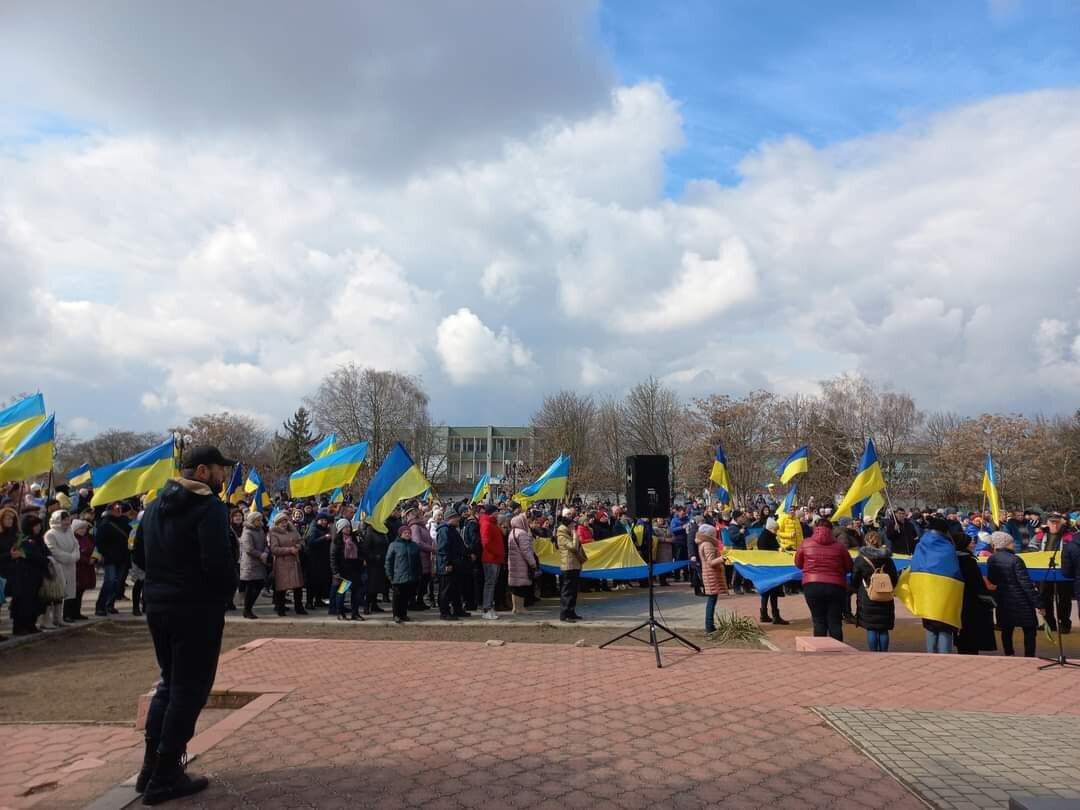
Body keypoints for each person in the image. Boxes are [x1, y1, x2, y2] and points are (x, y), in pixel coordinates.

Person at [135, 445, 237, 804]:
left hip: (159, 605)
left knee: (169, 684)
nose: (224, 476)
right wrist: (223, 595)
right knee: (189, 690)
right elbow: (218, 562)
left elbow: (139, 555)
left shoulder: (153, 506)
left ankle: (149, 769)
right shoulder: (209, 507)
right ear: (203, 471)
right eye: (220, 469)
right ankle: (165, 777)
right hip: (196, 609)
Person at [794, 518, 852, 641]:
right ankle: (837, 648)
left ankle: (821, 649)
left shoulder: (805, 543)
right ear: (831, 530)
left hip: (812, 585)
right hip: (836, 586)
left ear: (815, 528)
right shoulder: (840, 547)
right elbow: (848, 567)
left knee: (818, 620)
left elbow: (798, 563)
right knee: (835, 621)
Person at [987, 530, 1042, 657]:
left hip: (1003, 599)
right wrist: (1038, 603)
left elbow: (992, 579)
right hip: (1021, 600)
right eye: (1011, 542)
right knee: (1029, 629)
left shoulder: (991, 559)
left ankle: (1009, 653)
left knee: (1006, 629)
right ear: (1005, 544)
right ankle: (1029, 655)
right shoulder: (1016, 560)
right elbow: (1026, 583)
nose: (1013, 545)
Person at [851, 531, 898, 652]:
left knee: (871, 628)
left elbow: (855, 579)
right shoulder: (887, 559)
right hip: (886, 596)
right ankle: (884, 653)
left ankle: (873, 654)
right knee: (883, 629)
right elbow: (894, 579)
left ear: (866, 541)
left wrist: (856, 588)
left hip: (867, 596)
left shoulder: (861, 559)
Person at [952, 528, 997, 655]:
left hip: (958, 600)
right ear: (964, 544)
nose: (973, 544)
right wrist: (989, 599)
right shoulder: (968, 561)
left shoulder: (953, 559)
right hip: (971, 602)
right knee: (971, 632)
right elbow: (977, 584)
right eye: (970, 542)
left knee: (962, 631)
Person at [94, 501, 131, 616]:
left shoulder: (125, 521)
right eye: (116, 509)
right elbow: (99, 541)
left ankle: (110, 604)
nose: (119, 510)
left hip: (123, 557)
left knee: (118, 583)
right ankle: (100, 606)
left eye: (120, 508)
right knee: (109, 582)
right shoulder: (105, 523)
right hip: (110, 558)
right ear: (110, 510)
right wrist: (106, 553)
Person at [43, 509, 78, 626]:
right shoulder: (50, 534)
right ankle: (48, 619)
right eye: (64, 519)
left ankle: (59, 618)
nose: (67, 522)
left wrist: (75, 556)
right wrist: (69, 557)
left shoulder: (70, 532)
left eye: (68, 519)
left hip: (70, 566)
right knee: (55, 593)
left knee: (65, 593)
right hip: (57, 566)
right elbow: (53, 550)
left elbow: (76, 546)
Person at [268, 511, 307, 617]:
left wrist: (299, 546)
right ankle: (280, 608)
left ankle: (299, 607)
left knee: (298, 586)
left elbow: (300, 541)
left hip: (294, 561)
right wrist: (289, 550)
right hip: (282, 563)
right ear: (277, 523)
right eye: (281, 522)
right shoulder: (274, 533)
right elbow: (274, 549)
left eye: (285, 521)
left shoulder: (293, 530)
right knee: (282, 587)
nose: (284, 523)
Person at [1039, 513, 1073, 633]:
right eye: (1052, 522)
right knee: (1045, 598)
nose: (1054, 525)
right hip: (1044, 570)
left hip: (1063, 571)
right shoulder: (1040, 535)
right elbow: (1031, 549)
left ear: (1061, 523)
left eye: (1057, 522)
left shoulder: (1069, 536)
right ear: (1047, 523)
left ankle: (1065, 624)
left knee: (1064, 599)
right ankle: (1049, 623)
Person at [436, 505, 469, 620]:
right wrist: (447, 564)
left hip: (455, 563)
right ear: (450, 518)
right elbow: (443, 549)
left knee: (455, 588)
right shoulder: (444, 530)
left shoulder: (452, 529)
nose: (458, 519)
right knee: (446, 590)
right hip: (447, 565)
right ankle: (444, 612)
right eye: (456, 517)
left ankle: (457, 609)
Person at [385, 522, 422, 623]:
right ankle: (396, 615)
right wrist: (390, 576)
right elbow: (388, 561)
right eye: (405, 533)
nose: (407, 534)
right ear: (400, 534)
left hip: (411, 576)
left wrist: (419, 574)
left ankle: (403, 614)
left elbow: (418, 561)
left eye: (409, 533)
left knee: (406, 597)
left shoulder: (414, 546)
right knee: (397, 597)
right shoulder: (393, 545)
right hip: (398, 576)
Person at [755, 518, 788, 625]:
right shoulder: (766, 537)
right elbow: (767, 553)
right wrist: (778, 550)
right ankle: (775, 616)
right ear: (771, 528)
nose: (776, 531)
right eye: (775, 529)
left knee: (766, 592)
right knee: (773, 593)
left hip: (766, 568)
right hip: (771, 569)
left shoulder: (765, 536)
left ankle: (764, 614)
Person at [695, 524, 727, 634]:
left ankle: (710, 626)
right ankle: (709, 626)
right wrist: (722, 559)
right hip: (711, 574)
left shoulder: (703, 543)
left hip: (709, 574)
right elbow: (711, 562)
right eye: (714, 533)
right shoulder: (708, 544)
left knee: (712, 600)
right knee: (712, 601)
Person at [556, 508, 587, 623]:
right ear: (568, 526)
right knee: (567, 591)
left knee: (573, 591)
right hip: (568, 565)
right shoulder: (561, 535)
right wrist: (575, 534)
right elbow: (573, 547)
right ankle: (565, 614)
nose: (574, 527)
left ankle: (571, 612)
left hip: (574, 564)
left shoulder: (568, 533)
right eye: (572, 525)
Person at [330, 519, 365, 621]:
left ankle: (355, 613)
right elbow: (333, 557)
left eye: (349, 527)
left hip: (355, 570)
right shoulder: (337, 541)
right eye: (345, 527)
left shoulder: (354, 539)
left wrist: (361, 561)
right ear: (341, 529)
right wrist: (335, 571)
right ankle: (340, 613)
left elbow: (360, 551)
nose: (348, 529)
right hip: (343, 572)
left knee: (356, 593)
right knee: (341, 593)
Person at [238, 512, 269, 619]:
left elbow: (265, 543)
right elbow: (248, 549)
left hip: (260, 562)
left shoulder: (260, 530)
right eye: (258, 520)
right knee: (251, 587)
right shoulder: (247, 532)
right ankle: (247, 610)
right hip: (250, 563)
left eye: (260, 520)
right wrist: (261, 555)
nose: (260, 522)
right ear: (253, 520)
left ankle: (248, 608)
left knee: (259, 584)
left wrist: (266, 552)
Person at [506, 512, 538, 615]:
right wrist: (532, 563)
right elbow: (526, 551)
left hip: (513, 563)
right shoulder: (522, 533)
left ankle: (515, 608)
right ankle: (521, 608)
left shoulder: (512, 532)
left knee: (514, 587)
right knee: (521, 587)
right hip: (521, 564)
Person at [478, 504, 505, 620]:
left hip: (495, 558)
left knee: (492, 584)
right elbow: (486, 543)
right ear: (493, 513)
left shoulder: (492, 523)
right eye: (496, 512)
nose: (498, 514)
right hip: (491, 559)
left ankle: (489, 606)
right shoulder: (487, 524)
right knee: (490, 584)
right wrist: (497, 553)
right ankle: (486, 608)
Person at [406, 507, 435, 610]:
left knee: (424, 581)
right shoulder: (415, 527)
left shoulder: (422, 526)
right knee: (418, 582)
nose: (423, 515)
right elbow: (417, 542)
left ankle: (420, 601)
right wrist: (432, 549)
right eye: (420, 513)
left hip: (426, 559)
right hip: (419, 559)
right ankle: (413, 602)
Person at [303, 512, 332, 609]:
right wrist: (324, 538)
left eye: (325, 520)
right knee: (312, 582)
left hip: (323, 560)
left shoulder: (326, 529)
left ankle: (318, 601)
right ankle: (309, 602)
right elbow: (311, 542)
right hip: (313, 561)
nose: (324, 522)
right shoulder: (314, 529)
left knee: (321, 581)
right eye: (322, 520)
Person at [362, 523, 389, 615]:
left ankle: (374, 604)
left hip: (381, 562)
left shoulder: (383, 533)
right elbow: (365, 549)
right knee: (371, 586)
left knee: (377, 585)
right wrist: (374, 556)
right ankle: (366, 605)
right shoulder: (370, 533)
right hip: (372, 564)